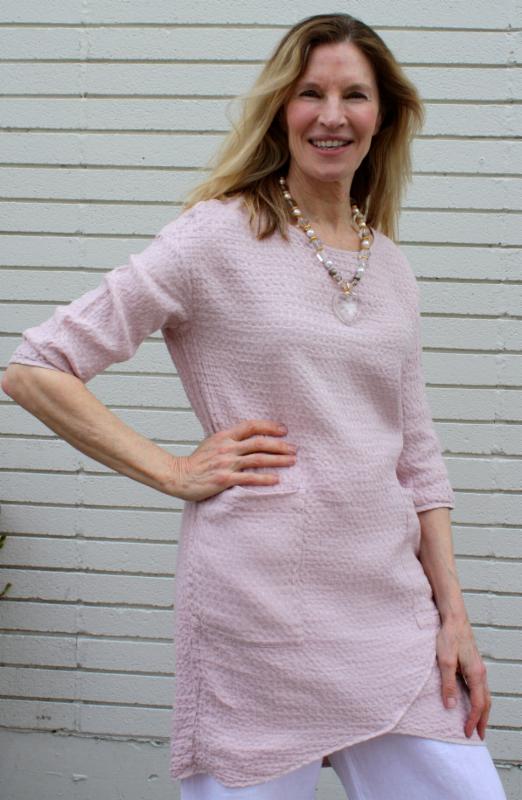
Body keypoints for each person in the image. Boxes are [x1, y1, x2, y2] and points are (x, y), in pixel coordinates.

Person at [1, 12, 507, 800]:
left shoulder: (392, 267)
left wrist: (455, 619)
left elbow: (417, 456)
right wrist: (171, 470)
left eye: (354, 95)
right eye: (310, 93)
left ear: (384, 115)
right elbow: (37, 368)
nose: (332, 115)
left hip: (390, 614)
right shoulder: (215, 237)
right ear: (280, 109)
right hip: (259, 612)